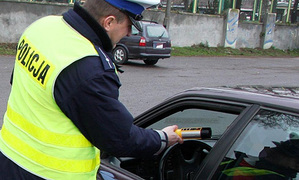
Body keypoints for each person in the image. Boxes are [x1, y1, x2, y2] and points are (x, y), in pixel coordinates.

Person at [0, 0, 183, 179]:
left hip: (8, 159)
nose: (129, 33)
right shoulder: (90, 68)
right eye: (129, 25)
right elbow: (118, 138)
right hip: (50, 173)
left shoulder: (41, 27)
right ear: (109, 22)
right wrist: (162, 138)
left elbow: (20, 84)